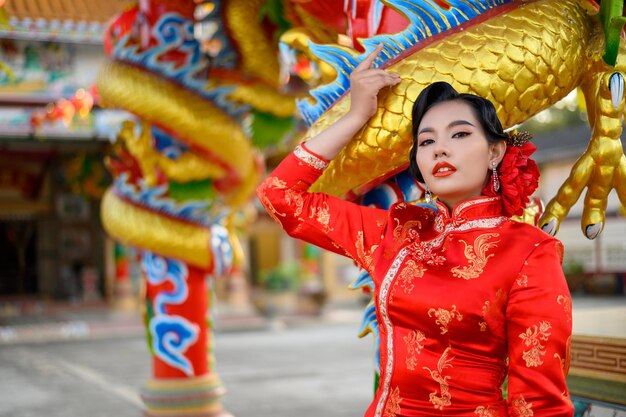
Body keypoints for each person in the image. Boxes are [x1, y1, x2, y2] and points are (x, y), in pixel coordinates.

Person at [257, 44, 573, 416]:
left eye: (459, 135)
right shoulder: (396, 233)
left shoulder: (530, 251)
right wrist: (356, 115)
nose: (440, 149)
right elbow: (278, 195)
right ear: (419, 166)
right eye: (426, 141)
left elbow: (539, 403)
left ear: (495, 153)